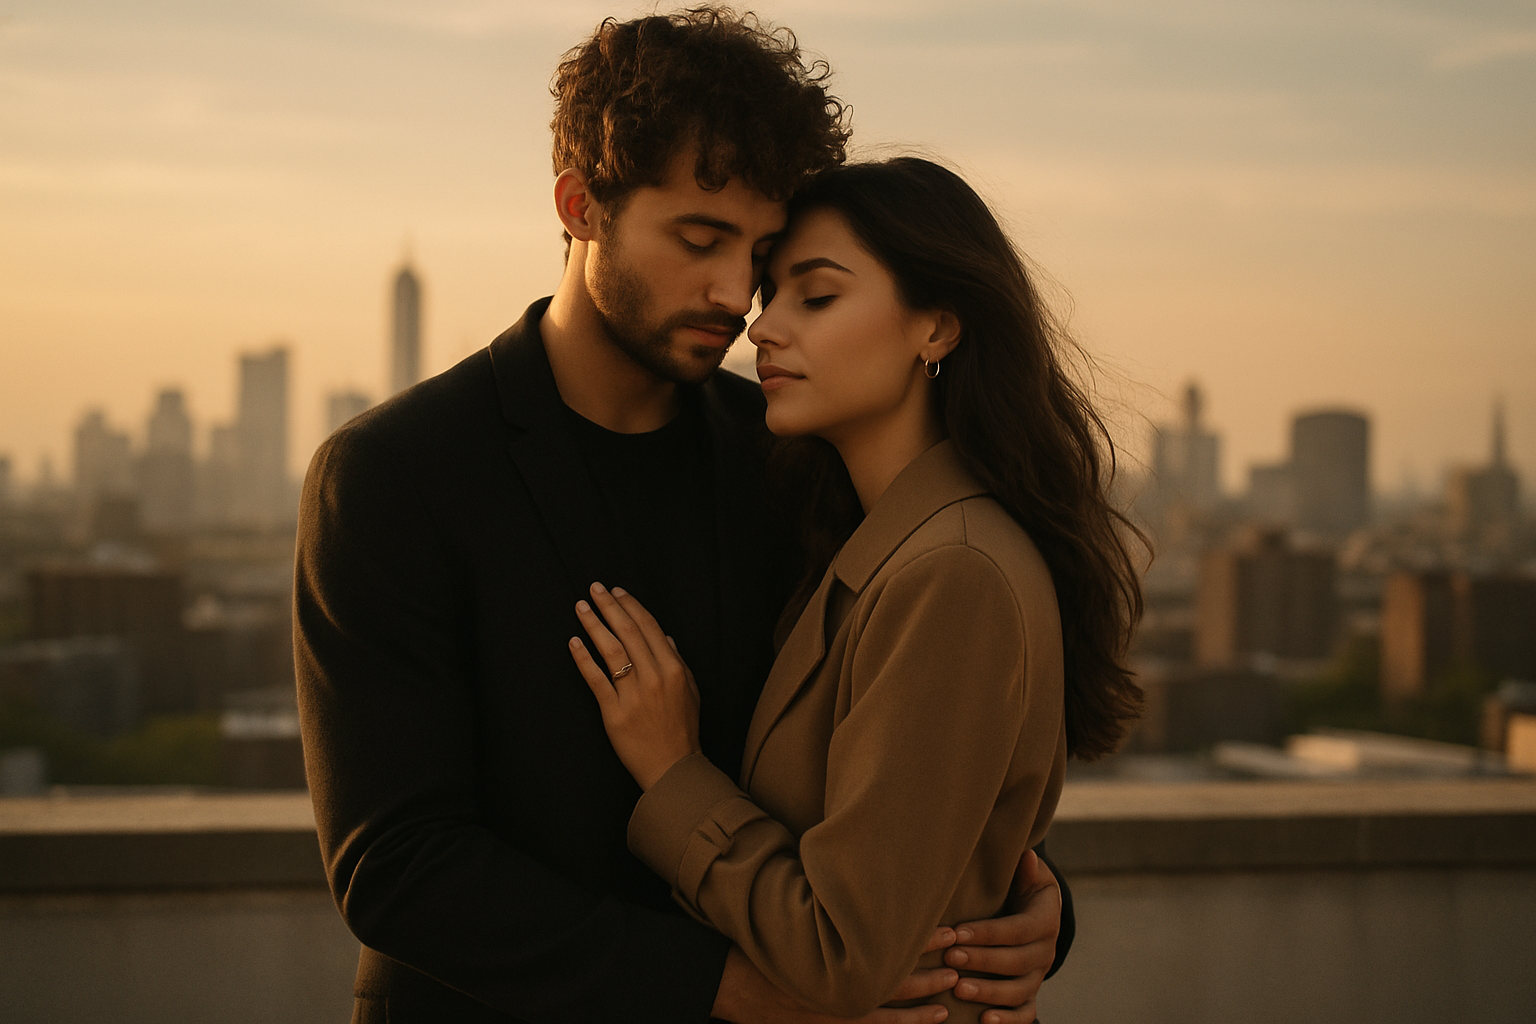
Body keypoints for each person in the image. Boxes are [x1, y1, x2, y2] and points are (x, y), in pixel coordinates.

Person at [295, 11, 1073, 1024]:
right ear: (580, 206)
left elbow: (897, 746)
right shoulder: (394, 473)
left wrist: (1028, 907)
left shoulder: (793, 455)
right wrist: (731, 989)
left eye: (763, 253)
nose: (735, 292)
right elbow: (395, 865)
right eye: (700, 240)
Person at [566, 158, 1145, 1024]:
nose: (762, 326)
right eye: (773, 296)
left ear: (936, 328)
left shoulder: (954, 573)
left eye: (818, 296)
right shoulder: (872, 544)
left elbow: (844, 950)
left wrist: (674, 772)